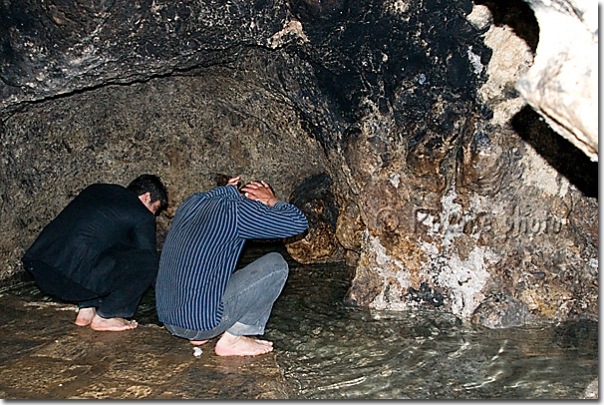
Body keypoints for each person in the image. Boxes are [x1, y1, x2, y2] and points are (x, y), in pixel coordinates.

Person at [155, 176, 308, 356]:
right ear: (254, 200)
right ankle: (233, 340)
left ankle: (198, 331)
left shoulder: (193, 202)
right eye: (262, 209)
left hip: (170, 320)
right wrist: (271, 200)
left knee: (217, 271)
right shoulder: (237, 211)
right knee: (276, 265)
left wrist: (228, 189)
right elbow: (298, 223)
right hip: (196, 324)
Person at [21, 174, 168, 332]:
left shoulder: (96, 190)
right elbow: (149, 261)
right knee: (148, 261)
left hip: (41, 270)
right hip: (73, 279)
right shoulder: (141, 213)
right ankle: (107, 316)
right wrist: (169, 297)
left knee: (103, 252)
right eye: (154, 209)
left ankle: (86, 309)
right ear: (146, 196)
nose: (152, 215)